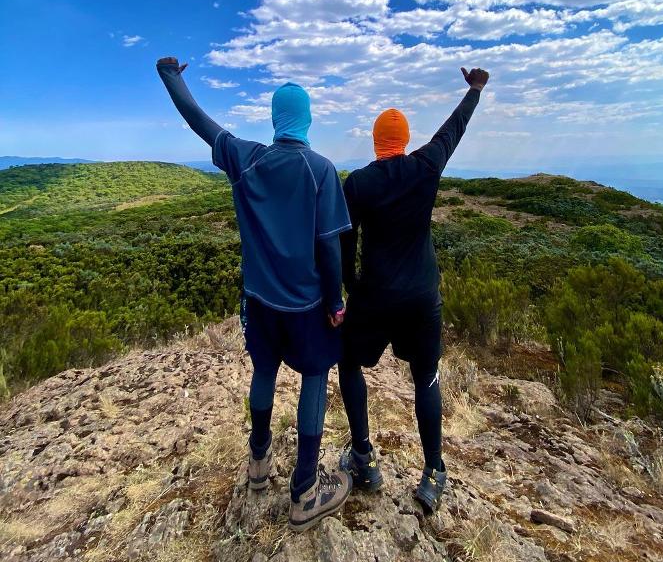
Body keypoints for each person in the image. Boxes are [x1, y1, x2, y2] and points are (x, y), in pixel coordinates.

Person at [156, 57, 353, 532]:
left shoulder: (248, 158)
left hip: (259, 302)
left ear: (274, 118)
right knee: (312, 379)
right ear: (306, 119)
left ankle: (259, 463)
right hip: (306, 307)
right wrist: (336, 302)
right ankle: (306, 489)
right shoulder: (321, 171)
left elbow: (200, 122)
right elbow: (329, 248)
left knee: (263, 371)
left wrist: (172, 77)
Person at [337, 65, 489, 512]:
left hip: (375, 296)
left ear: (375, 141)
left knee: (348, 363)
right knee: (425, 378)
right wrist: (475, 90)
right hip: (422, 297)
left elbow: (346, 242)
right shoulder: (424, 167)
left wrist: (350, 289)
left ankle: (363, 458)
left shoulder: (359, 183)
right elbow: (452, 131)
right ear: (403, 141)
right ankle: (433, 473)